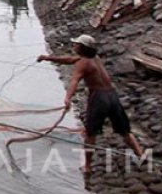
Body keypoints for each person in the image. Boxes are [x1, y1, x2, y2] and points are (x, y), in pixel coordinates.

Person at [37, 34, 145, 172]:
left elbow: (74, 80)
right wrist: (47, 58)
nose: (74, 45)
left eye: (76, 44)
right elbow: (70, 59)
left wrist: (67, 98)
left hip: (99, 98)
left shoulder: (82, 64)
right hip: (112, 95)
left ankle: (87, 166)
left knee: (90, 133)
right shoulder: (94, 58)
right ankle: (140, 154)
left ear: (82, 47)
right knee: (125, 130)